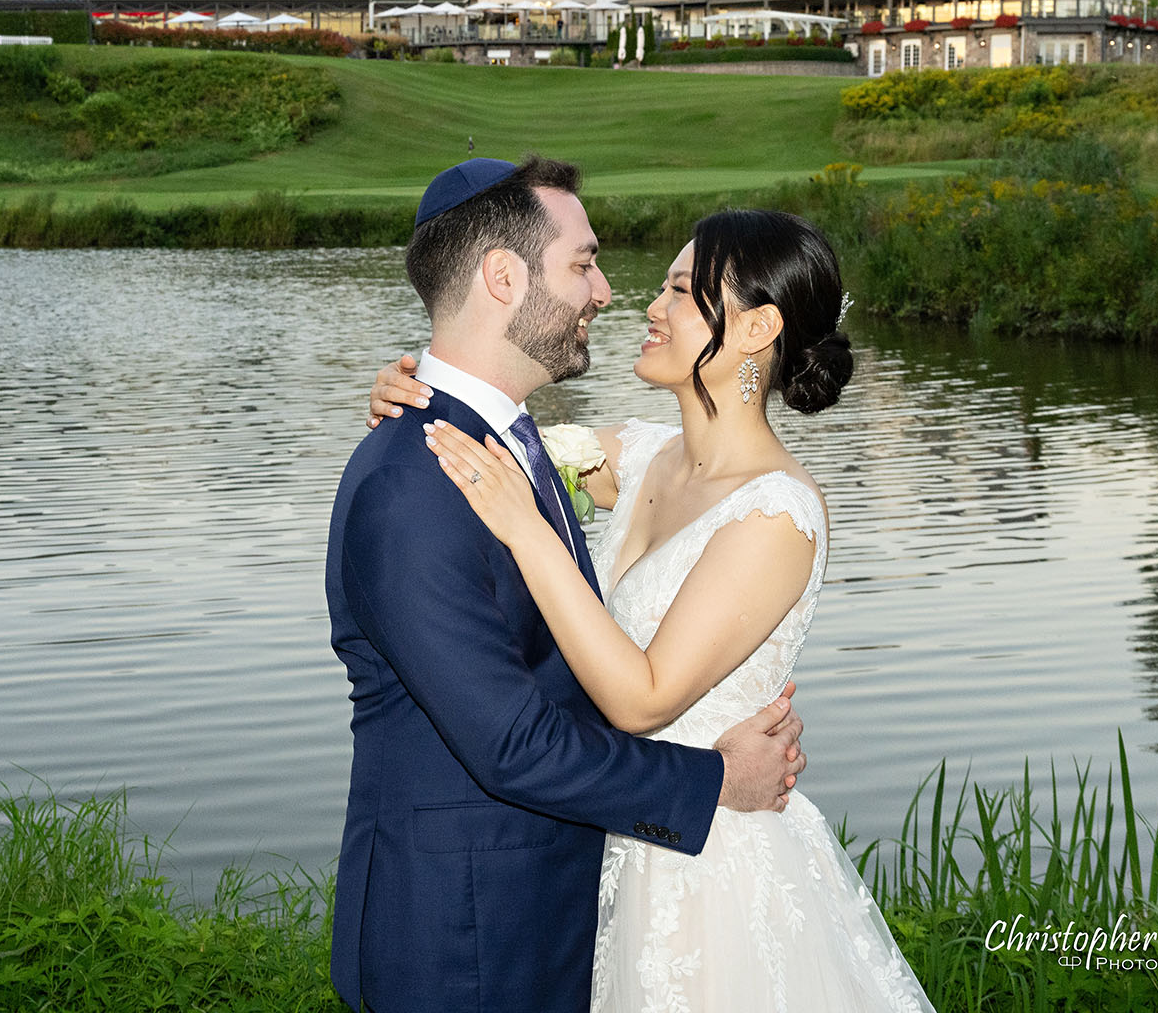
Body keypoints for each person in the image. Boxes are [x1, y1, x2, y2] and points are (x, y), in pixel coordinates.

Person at [369, 207, 936, 1012]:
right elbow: (494, 430)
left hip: (713, 871)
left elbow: (641, 697)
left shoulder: (776, 515)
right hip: (619, 840)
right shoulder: (633, 457)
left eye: (680, 291)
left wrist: (525, 528)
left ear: (758, 328)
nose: (650, 307)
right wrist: (410, 386)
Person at [326, 158, 808, 1013]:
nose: (612, 294)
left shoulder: (517, 450)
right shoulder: (416, 482)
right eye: (584, 264)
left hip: (567, 906)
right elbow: (511, 742)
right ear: (504, 277)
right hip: (463, 943)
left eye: (675, 289)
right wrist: (712, 782)